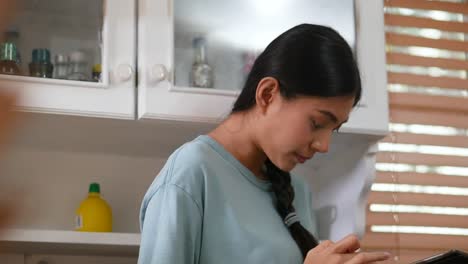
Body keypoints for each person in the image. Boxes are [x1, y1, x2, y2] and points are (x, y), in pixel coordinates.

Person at [138, 24, 390, 264]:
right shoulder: (190, 175)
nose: (324, 145)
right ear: (267, 94)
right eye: (316, 123)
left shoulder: (296, 192)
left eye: (334, 129)